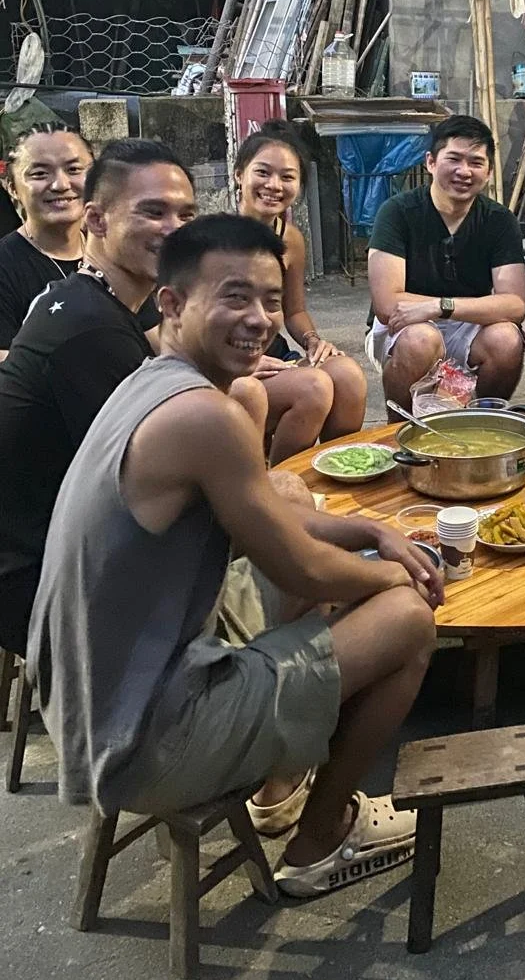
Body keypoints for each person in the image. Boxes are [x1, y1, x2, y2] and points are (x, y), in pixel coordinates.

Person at [28, 214, 440, 896]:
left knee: (294, 496)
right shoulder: (206, 416)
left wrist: (371, 534)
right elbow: (301, 569)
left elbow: (270, 517)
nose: (258, 319)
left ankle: (283, 768)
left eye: (271, 300)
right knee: (408, 619)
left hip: (91, 697)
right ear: (172, 303)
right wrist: (397, 575)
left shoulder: (151, 378)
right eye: (234, 297)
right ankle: (321, 838)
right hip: (143, 739)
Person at [0, 138, 197, 657]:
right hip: (49, 593)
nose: (174, 230)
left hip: (67, 554)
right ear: (97, 220)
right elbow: (153, 485)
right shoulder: (91, 332)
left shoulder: (90, 301)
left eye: (185, 214)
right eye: (153, 212)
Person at [367, 115, 525, 413]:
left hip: (467, 322)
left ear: (489, 172)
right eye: (454, 159)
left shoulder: (500, 220)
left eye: (476, 162)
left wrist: (441, 306)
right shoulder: (397, 212)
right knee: (421, 340)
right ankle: (401, 427)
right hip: (406, 327)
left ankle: (482, 420)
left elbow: (515, 304)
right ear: (430, 162)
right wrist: (432, 311)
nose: (464, 171)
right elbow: (388, 305)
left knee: (506, 339)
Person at [234, 122, 367, 463]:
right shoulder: (210, 237)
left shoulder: (290, 238)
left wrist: (313, 341)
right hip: (228, 366)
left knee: (347, 375)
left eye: (287, 177)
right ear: (239, 174)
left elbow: (293, 311)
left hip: (274, 357)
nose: (274, 185)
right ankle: (277, 482)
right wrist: (235, 363)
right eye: (263, 172)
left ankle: (335, 477)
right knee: (314, 388)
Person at [0, 125, 94, 359]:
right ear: (11, 187)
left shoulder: (113, 253)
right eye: (40, 174)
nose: (61, 185)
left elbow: (158, 341)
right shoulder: (5, 267)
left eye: (74, 169)